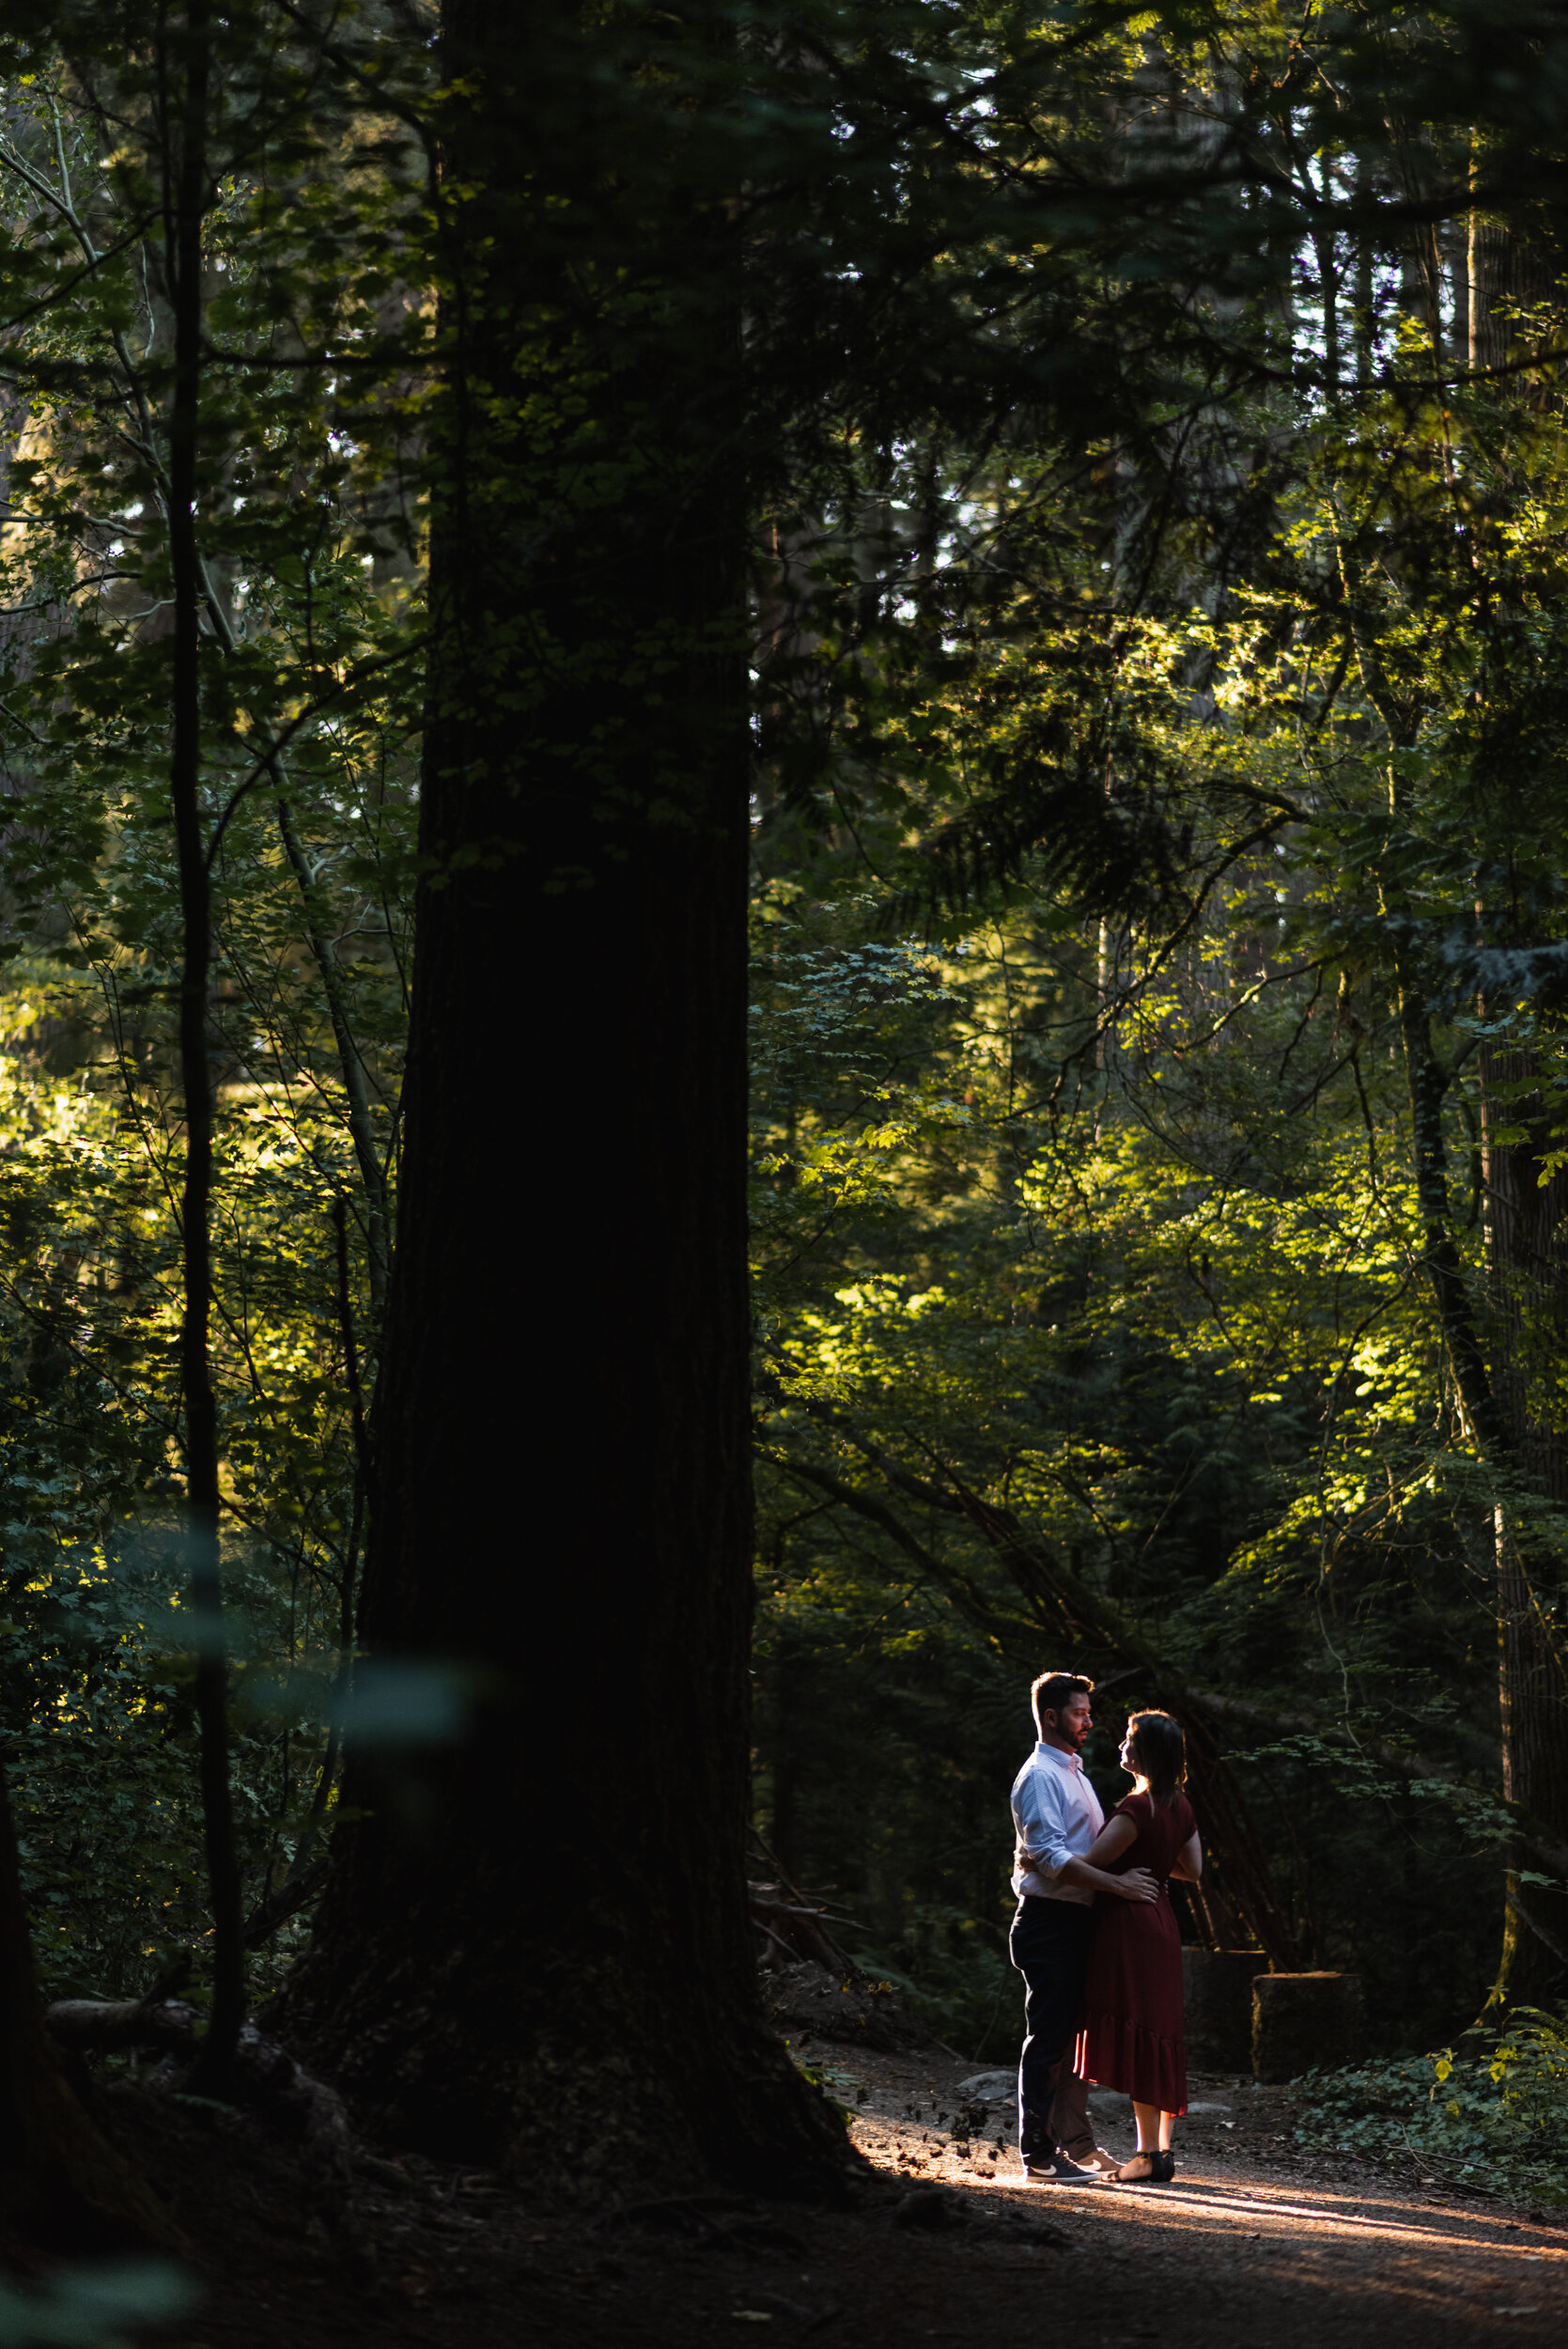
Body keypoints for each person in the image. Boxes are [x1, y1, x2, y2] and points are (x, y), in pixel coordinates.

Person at [1009, 1671, 1158, 2185]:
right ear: (1050, 1717)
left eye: (1089, 1712)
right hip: (1048, 1923)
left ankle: (1076, 2146)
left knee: (1070, 2044)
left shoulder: (1075, 1773)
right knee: (1048, 2040)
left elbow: (1092, 1848)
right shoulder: (1039, 1776)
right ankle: (1038, 2157)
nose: (1089, 1721)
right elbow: (1050, 1857)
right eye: (1079, 1713)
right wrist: (1118, 1888)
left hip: (1077, 1922)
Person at [1073, 1709, 1203, 2184]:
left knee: (1142, 2031)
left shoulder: (1137, 1809)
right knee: (1158, 2033)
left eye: (1130, 1739)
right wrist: (1153, 1858)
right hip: (1163, 1921)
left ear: (1147, 1752)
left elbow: (1087, 1864)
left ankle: (1148, 2156)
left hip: (1130, 1923)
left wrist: (1125, 1871)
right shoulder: (1180, 1805)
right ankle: (1160, 2153)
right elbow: (1191, 1870)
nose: (1122, 1745)